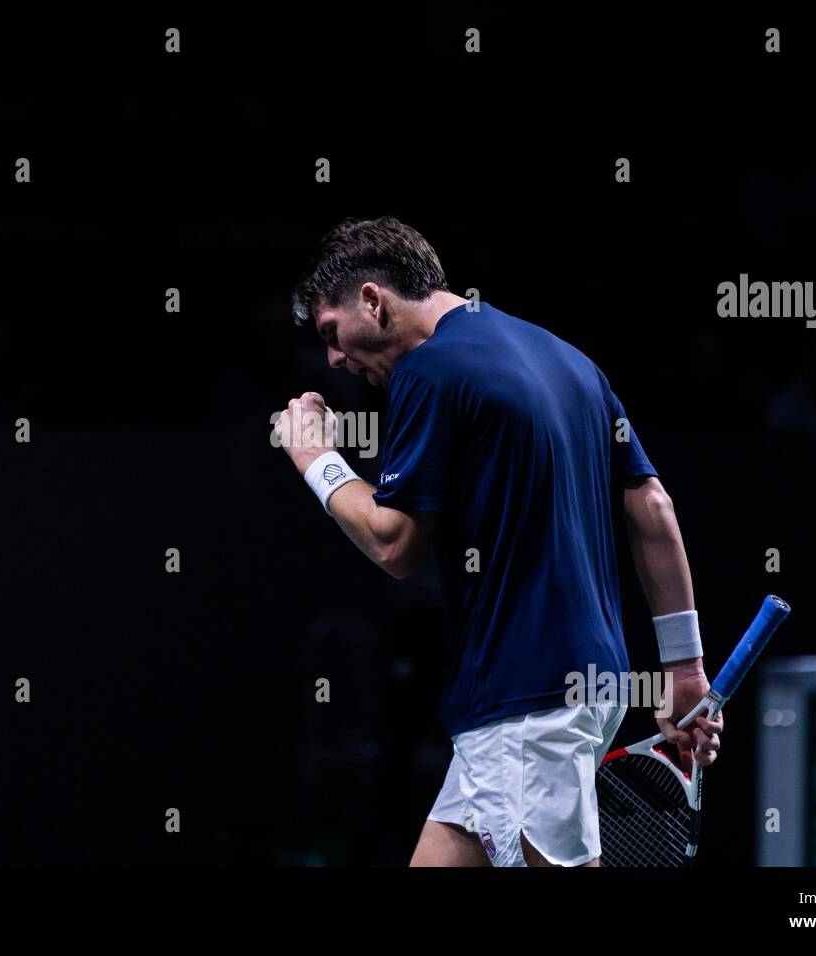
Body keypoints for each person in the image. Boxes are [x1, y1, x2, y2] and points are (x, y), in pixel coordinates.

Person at [275, 216, 722, 867]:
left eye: (331, 334)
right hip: (585, 686)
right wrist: (684, 666)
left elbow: (394, 544)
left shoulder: (429, 371)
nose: (335, 359)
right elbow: (652, 509)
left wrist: (316, 458)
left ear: (372, 300)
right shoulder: (570, 360)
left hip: (525, 699)